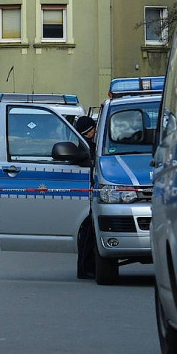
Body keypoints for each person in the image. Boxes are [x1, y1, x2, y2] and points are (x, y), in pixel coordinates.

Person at [74, 115, 98, 280]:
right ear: (89, 131)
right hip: (89, 194)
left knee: (87, 232)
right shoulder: (86, 147)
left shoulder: (83, 145)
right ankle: (85, 268)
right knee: (88, 232)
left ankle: (85, 267)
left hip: (89, 193)